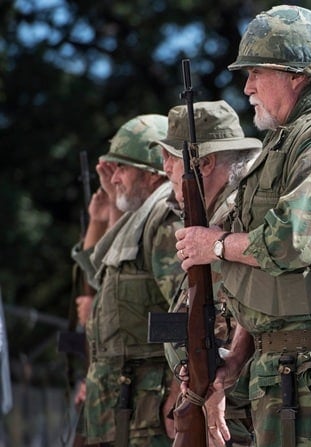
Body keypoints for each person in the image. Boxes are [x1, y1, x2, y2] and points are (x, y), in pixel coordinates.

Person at [174, 5, 311, 447]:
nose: (248, 86)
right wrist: (236, 357)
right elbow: (264, 283)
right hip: (283, 369)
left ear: (296, 74)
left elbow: (293, 242)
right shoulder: (286, 141)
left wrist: (213, 245)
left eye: (257, 72)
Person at [72, 114, 184, 446]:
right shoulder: (139, 218)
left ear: (154, 175)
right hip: (122, 407)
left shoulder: (164, 220)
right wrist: (107, 209)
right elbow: (107, 281)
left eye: (123, 168)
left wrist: (179, 393)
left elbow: (186, 313)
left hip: (148, 409)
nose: (114, 177)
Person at [154, 99, 261, 446]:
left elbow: (237, 312)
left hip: (231, 409)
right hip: (216, 400)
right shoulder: (217, 223)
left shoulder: (233, 223)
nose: (165, 168)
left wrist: (212, 387)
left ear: (205, 163)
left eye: (171, 158)